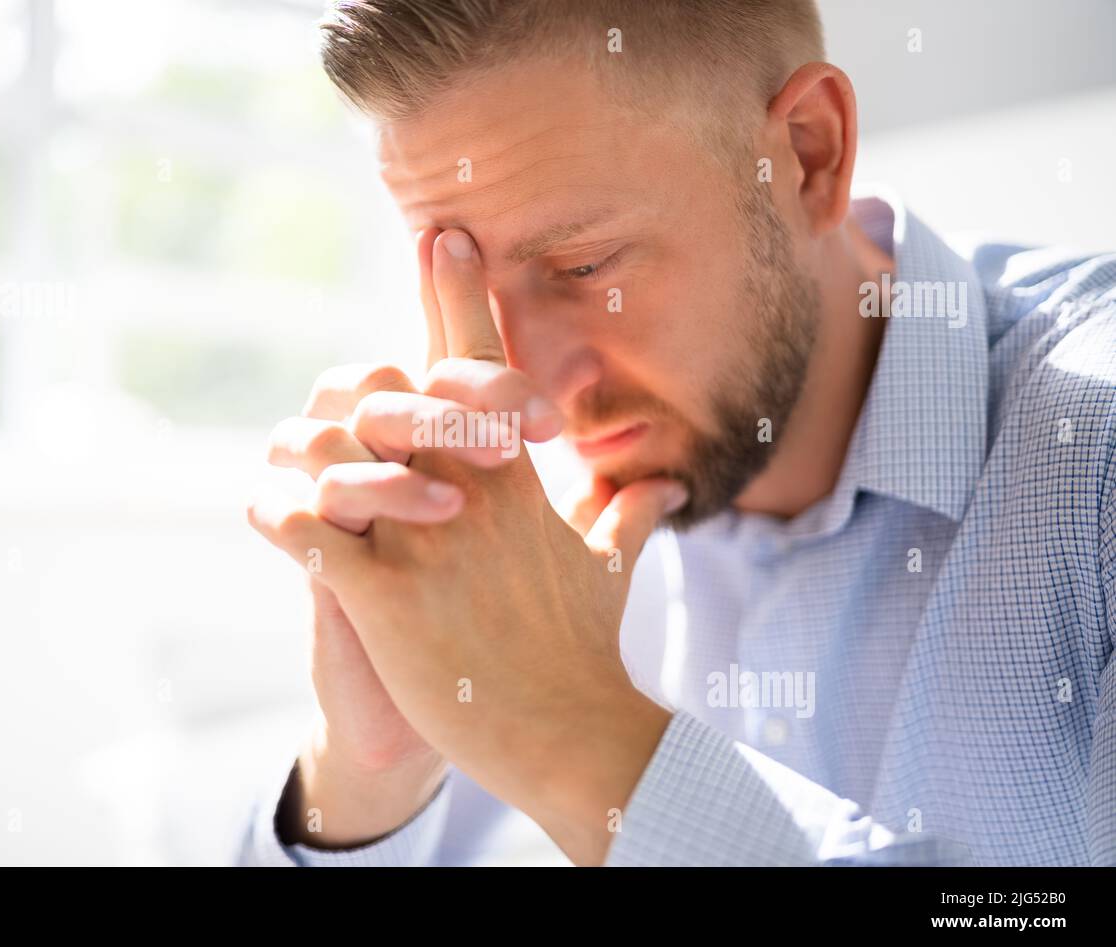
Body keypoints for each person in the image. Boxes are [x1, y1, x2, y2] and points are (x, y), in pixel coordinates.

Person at [240, 0, 1116, 866]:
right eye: (464, 287)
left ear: (809, 154)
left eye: (584, 267)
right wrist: (371, 773)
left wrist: (572, 735)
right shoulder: (530, 511)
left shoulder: (1095, 458)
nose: (531, 388)